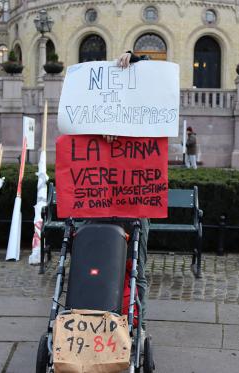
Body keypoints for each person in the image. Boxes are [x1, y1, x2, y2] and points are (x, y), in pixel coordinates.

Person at [100, 51, 150, 331]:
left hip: (134, 200)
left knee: (136, 269)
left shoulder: (142, 115)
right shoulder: (96, 117)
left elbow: (154, 76)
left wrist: (134, 57)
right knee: (94, 261)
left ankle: (135, 327)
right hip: (99, 200)